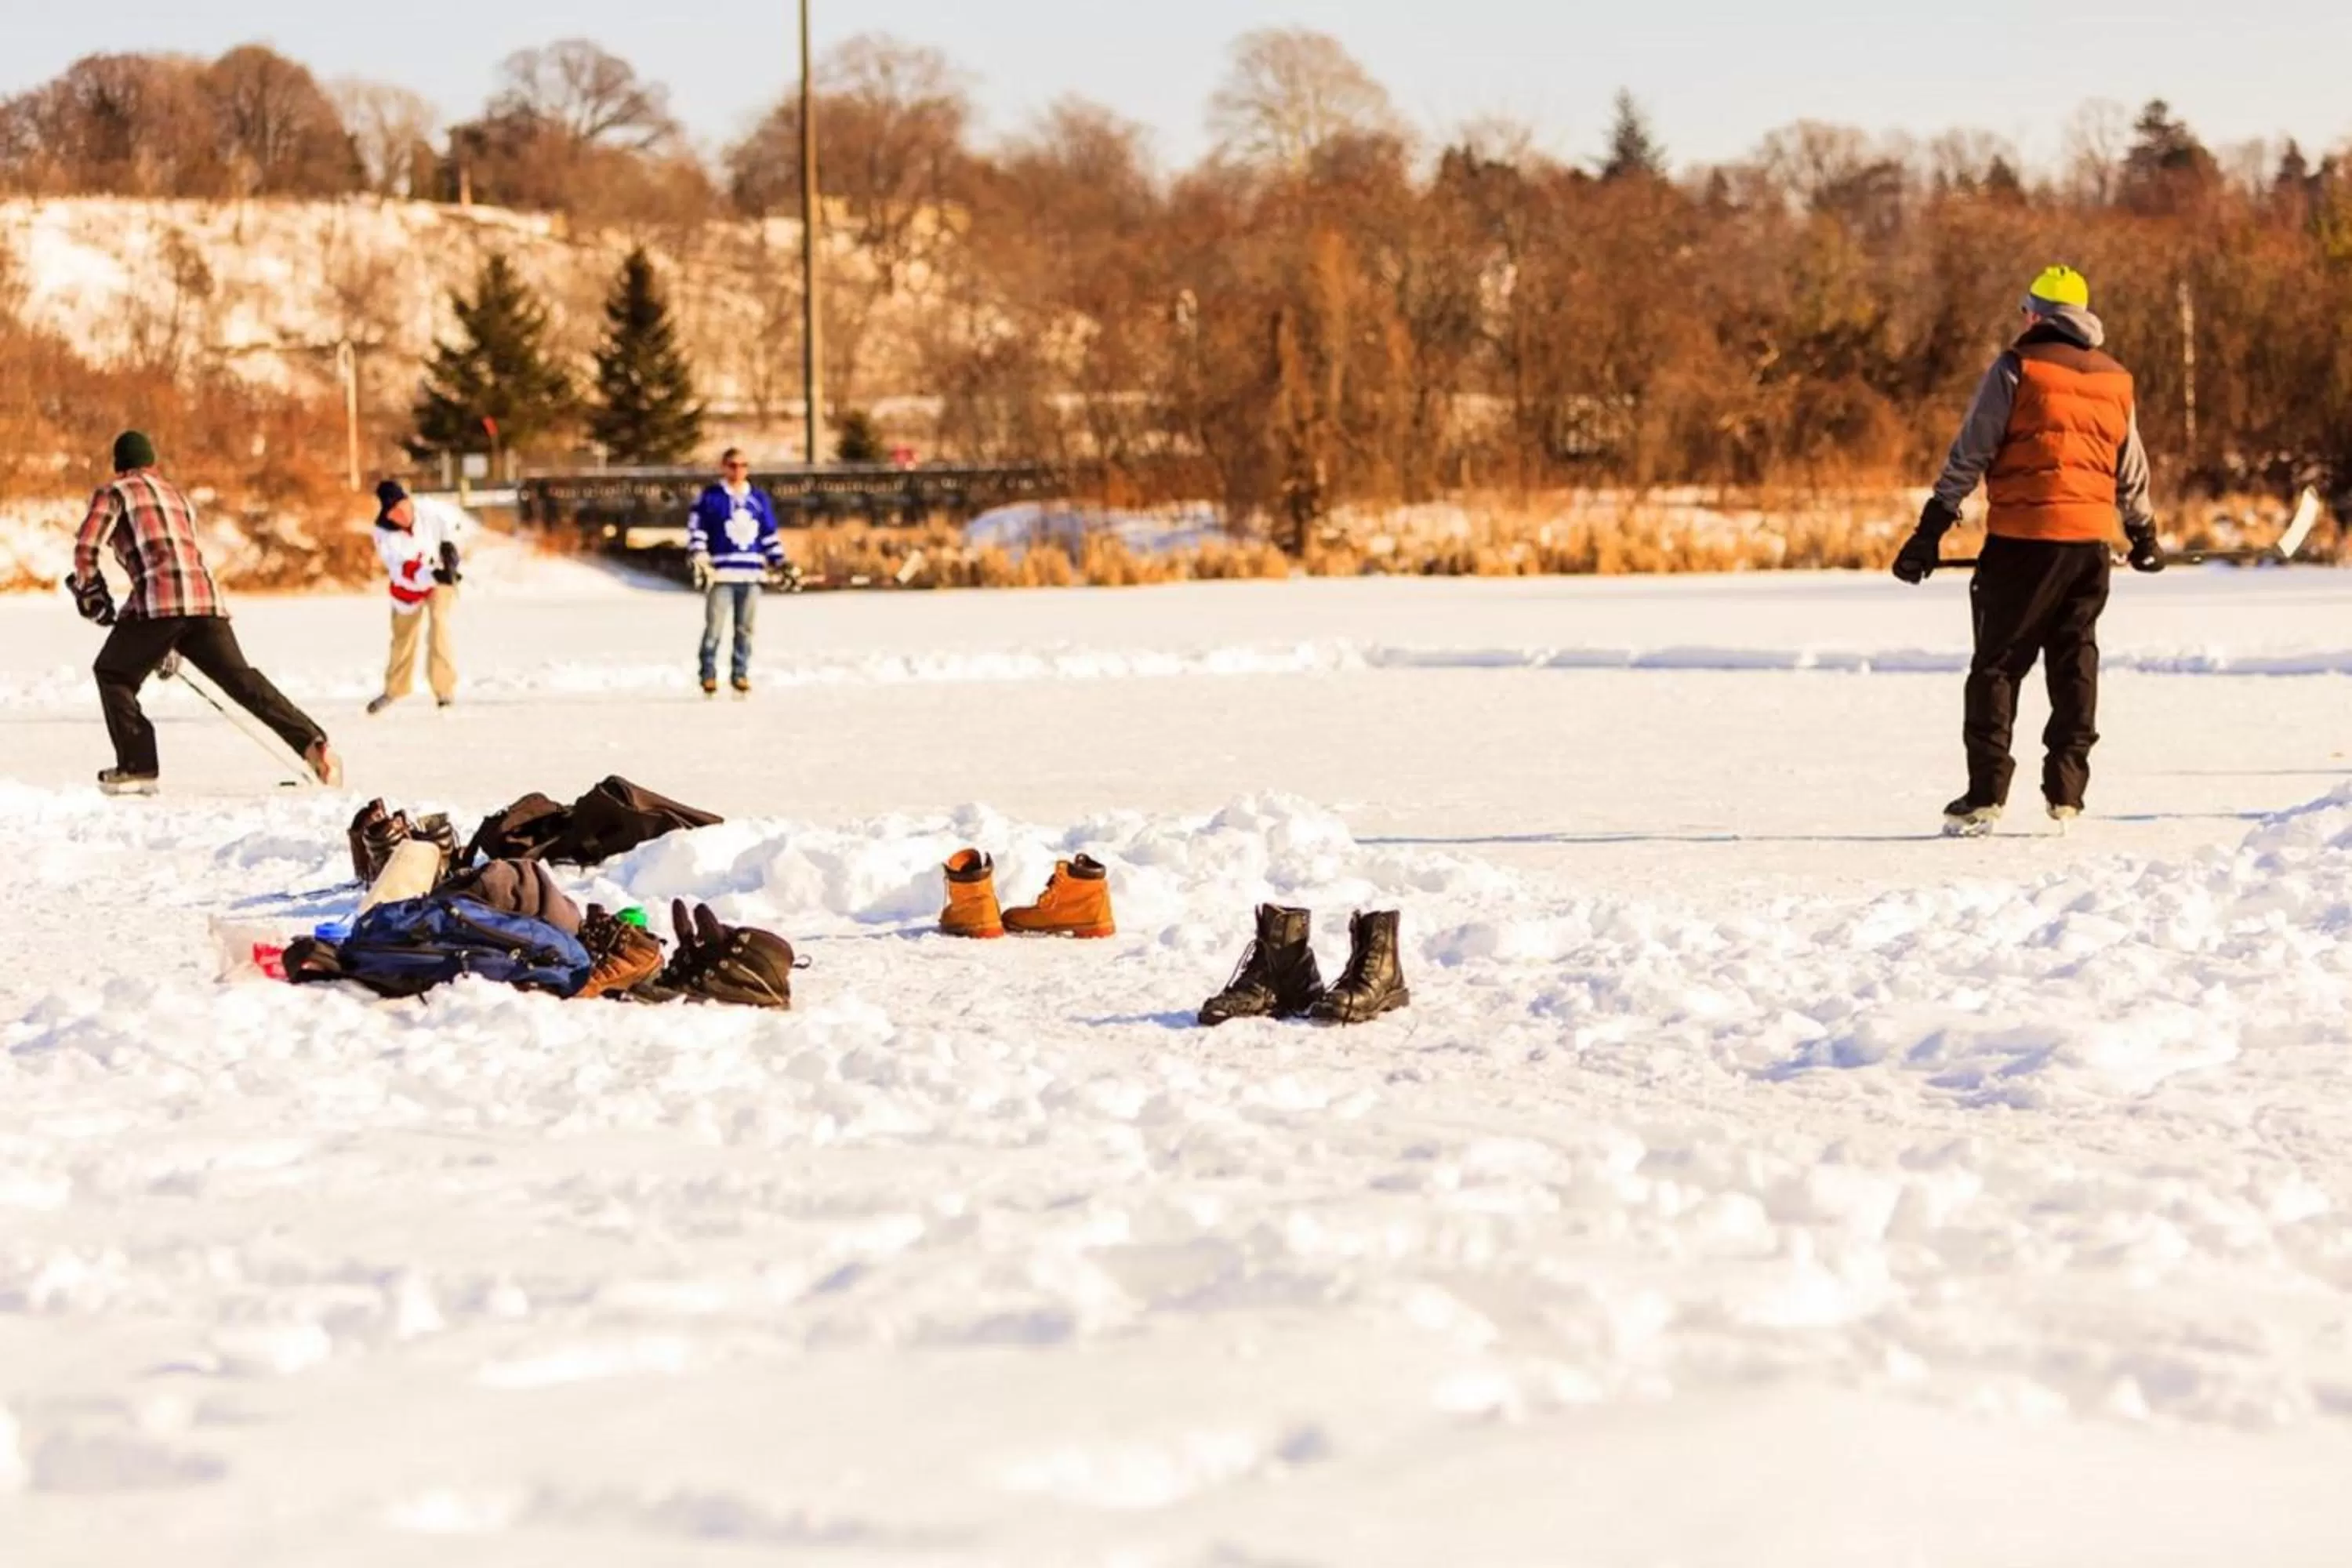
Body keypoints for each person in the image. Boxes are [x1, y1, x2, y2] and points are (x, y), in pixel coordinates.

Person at [1892, 265, 2163, 837]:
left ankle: (1985, 796)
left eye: (2026, 311)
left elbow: (1971, 451)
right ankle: (2067, 790)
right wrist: (2143, 535)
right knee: (2075, 660)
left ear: (2038, 315)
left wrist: (1929, 531)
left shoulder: (2018, 368)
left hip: (2023, 543)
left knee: (1998, 664)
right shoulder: (2116, 379)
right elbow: (2130, 466)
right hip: (2089, 544)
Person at [68, 430, 343, 795]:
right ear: (153, 462)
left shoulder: (114, 493)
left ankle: (138, 766)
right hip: (205, 602)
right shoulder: (177, 498)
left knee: (113, 672)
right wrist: (166, 645)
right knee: (241, 681)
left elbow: (87, 549)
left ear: (119, 465)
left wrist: (89, 590)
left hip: (160, 605)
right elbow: (175, 563)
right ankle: (312, 742)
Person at [686, 448, 786, 696]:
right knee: (714, 628)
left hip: (751, 574)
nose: (738, 470)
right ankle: (708, 674)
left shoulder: (758, 499)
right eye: (733, 465)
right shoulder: (711, 497)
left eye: (743, 465)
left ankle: (740, 674)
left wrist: (780, 561)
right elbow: (697, 528)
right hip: (721, 574)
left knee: (745, 629)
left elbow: (768, 533)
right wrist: (699, 553)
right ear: (723, 466)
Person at [366, 479, 461, 714]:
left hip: (439, 580)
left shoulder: (427, 510)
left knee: (440, 625)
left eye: (404, 506)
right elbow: (401, 571)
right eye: (395, 512)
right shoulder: (384, 535)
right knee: (403, 638)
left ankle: (444, 689)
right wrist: (433, 575)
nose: (403, 514)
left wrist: (449, 550)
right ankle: (395, 689)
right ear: (388, 514)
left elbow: (452, 523)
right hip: (408, 588)